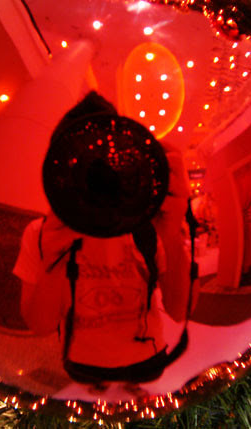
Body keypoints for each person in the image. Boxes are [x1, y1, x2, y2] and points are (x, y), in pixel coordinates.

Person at [12, 93, 194, 385]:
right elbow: (40, 326)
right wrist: (53, 261)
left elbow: (179, 309)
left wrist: (172, 234)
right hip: (82, 367)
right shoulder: (40, 233)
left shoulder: (147, 223)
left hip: (148, 361)